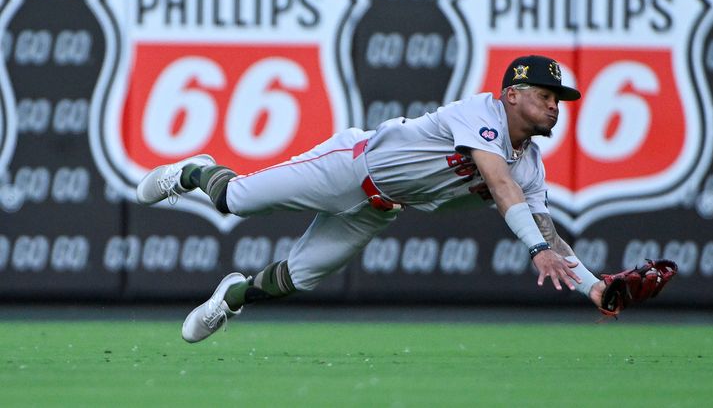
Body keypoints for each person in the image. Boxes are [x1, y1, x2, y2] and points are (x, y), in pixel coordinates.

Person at [136, 55, 607, 343]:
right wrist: (536, 249)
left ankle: (232, 296)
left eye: (558, 100)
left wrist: (594, 287)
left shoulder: (531, 165)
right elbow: (500, 187)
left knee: (297, 278)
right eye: (545, 95)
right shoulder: (480, 112)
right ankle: (193, 171)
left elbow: (549, 236)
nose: (554, 106)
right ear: (510, 95)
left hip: (378, 209)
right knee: (233, 199)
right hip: (348, 166)